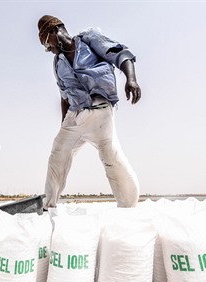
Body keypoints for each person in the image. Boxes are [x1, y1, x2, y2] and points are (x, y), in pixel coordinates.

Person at [38, 15, 141, 209]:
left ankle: (129, 208)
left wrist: (131, 79)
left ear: (53, 31)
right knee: (57, 155)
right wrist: (64, 127)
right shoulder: (58, 63)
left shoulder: (89, 40)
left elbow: (121, 54)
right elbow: (64, 97)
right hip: (75, 116)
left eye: (47, 43)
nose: (49, 49)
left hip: (101, 113)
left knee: (112, 159)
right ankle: (48, 206)